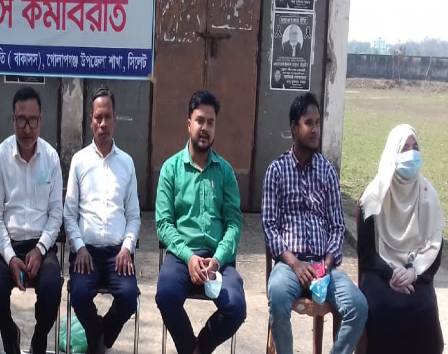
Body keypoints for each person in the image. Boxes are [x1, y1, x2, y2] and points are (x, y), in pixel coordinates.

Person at [262, 92, 367, 354]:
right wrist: (295, 263)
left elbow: (337, 226)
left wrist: (326, 264)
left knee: (358, 305)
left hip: (324, 267)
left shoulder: (327, 171)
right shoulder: (276, 171)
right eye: (309, 123)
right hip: (290, 266)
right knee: (277, 293)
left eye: (318, 122)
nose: (315, 129)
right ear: (294, 128)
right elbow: (269, 227)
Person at [155, 90, 245, 354]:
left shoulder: (225, 172)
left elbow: (234, 224)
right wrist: (189, 257)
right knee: (166, 295)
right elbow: (163, 223)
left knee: (236, 308)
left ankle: (199, 348)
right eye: (200, 121)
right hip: (182, 256)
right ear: (189, 124)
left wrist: (217, 259)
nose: (205, 128)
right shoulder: (171, 169)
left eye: (210, 122)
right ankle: (191, 348)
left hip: (218, 259)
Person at [0, 87, 63, 354]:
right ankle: (10, 334)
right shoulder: (0, 157)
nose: (27, 128)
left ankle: (39, 339)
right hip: (9, 245)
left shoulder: (51, 158)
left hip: (42, 245)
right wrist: (10, 257)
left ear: (41, 119)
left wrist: (40, 249)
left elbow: (56, 213)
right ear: (13, 120)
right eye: (21, 120)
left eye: (32, 120)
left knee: (52, 287)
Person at [64, 87, 141, 354]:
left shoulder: (127, 163)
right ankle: (98, 337)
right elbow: (69, 213)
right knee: (79, 295)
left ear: (115, 120)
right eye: (98, 117)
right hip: (86, 253)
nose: (103, 124)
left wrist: (127, 248)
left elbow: (134, 216)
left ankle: (100, 340)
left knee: (129, 298)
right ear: (91, 121)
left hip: (117, 254)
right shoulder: (79, 161)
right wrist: (79, 247)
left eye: (108, 117)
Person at [358, 124, 444, 354]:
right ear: (392, 153)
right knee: (383, 307)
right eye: (404, 148)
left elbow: (435, 249)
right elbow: (366, 253)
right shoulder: (373, 196)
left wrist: (414, 273)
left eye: (415, 147)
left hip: (416, 271)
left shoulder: (428, 195)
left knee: (424, 309)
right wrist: (392, 274)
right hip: (380, 271)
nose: (411, 154)